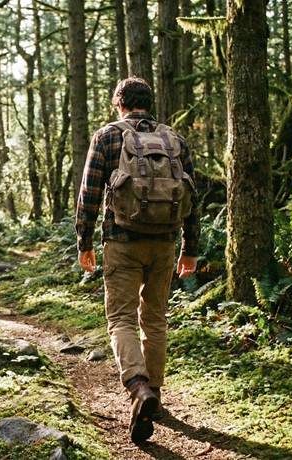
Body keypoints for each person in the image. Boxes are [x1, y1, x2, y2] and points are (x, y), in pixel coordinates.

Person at [75, 77, 200, 444]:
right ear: (149, 104)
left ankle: (138, 388)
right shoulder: (174, 140)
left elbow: (90, 191)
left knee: (121, 319)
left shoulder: (107, 136)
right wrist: (190, 247)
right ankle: (155, 394)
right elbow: (193, 196)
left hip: (121, 241)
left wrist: (84, 240)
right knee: (155, 319)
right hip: (163, 244)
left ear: (120, 104)